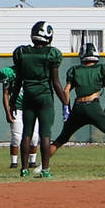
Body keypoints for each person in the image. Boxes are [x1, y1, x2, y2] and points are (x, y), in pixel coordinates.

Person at [51, 43, 105, 175]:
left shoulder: (75, 70)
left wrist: (67, 109)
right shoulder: (102, 69)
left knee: (60, 140)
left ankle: (42, 165)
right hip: (93, 106)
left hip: (78, 107)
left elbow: (66, 91)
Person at [12, 21, 69, 179]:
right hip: (44, 97)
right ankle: (45, 169)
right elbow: (56, 83)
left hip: (28, 96)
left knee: (26, 133)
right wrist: (65, 102)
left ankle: (24, 169)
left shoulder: (22, 52)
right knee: (45, 134)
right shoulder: (52, 54)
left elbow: (18, 81)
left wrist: (12, 101)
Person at [0, 66, 38, 169]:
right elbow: (6, 94)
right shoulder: (9, 73)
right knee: (16, 137)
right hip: (16, 108)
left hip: (32, 107)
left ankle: (32, 161)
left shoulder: (33, 69)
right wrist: (7, 112)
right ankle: (14, 162)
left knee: (34, 137)